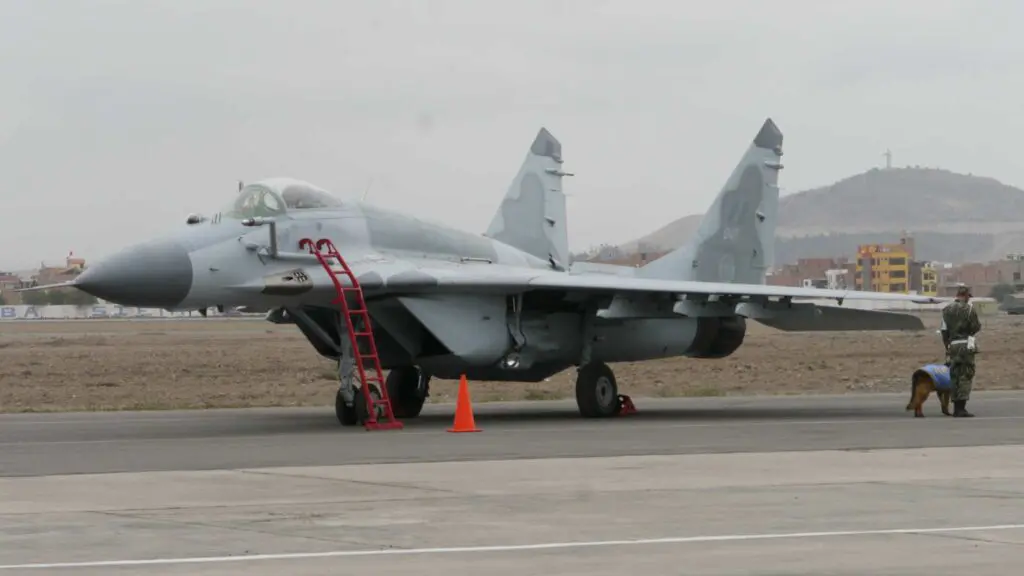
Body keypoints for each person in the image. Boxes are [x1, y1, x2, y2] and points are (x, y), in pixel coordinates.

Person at [940, 284, 981, 417]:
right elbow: (975, 327)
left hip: (953, 346)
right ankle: (961, 408)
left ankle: (956, 406)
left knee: (954, 376)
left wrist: (947, 346)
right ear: (966, 295)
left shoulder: (946, 310)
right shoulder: (969, 310)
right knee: (965, 375)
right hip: (965, 345)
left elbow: (944, 331)